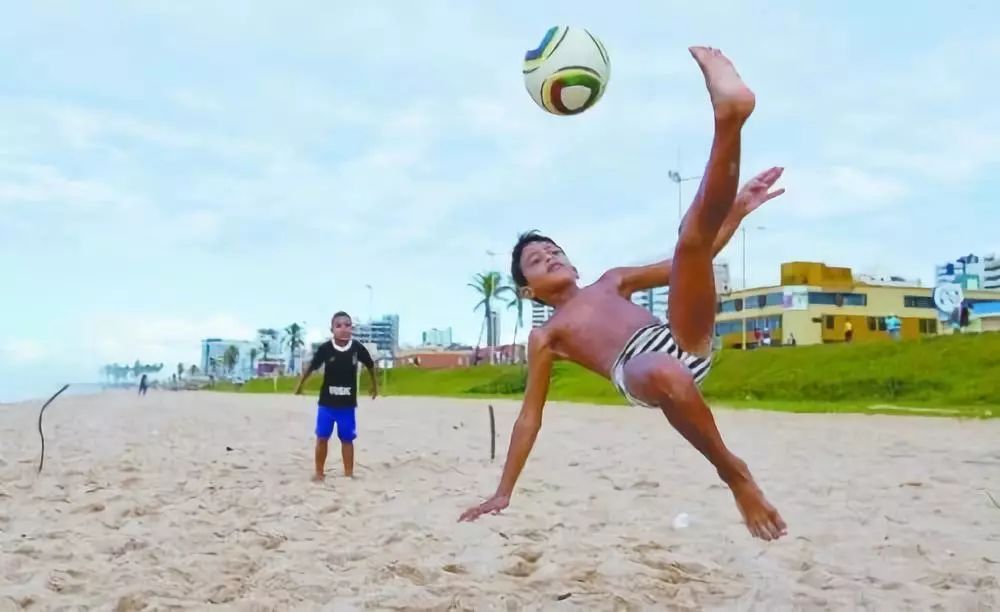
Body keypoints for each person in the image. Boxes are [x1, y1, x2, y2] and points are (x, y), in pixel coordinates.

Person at [459, 47, 788, 541]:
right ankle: (734, 473)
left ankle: (730, 118)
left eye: (553, 250)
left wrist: (737, 211)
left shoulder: (612, 280)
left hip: (683, 338)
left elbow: (694, 259)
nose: (549, 256)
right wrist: (503, 492)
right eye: (536, 260)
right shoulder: (547, 335)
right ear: (528, 291)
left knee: (689, 242)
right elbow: (530, 415)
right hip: (638, 371)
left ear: (573, 263)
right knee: (660, 369)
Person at [294, 311, 378, 482]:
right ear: (332, 329)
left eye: (347, 325)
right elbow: (311, 367)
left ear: (352, 328)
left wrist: (374, 386)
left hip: (347, 406)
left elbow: (370, 365)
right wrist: (300, 385)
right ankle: (319, 472)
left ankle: (349, 473)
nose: (343, 329)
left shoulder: (357, 348)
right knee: (322, 438)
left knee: (347, 439)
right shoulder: (325, 349)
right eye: (338, 326)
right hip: (326, 404)